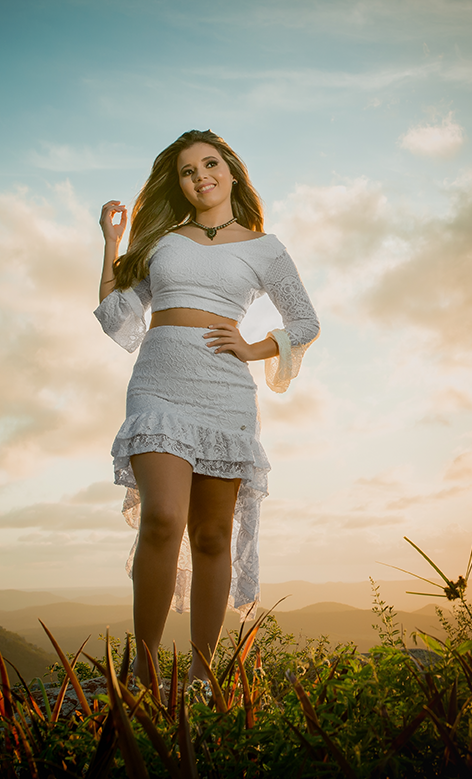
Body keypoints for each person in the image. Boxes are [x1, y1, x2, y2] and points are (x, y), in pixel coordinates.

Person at [95, 129, 319, 686]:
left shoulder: (264, 248)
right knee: (163, 519)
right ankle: (144, 673)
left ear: (232, 171)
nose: (201, 177)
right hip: (158, 385)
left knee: (214, 535)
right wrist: (112, 243)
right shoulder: (164, 242)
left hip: (225, 393)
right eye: (188, 171)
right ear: (180, 185)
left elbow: (306, 323)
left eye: (210, 164)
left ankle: (201, 675)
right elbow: (117, 312)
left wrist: (253, 348)